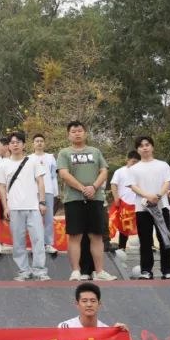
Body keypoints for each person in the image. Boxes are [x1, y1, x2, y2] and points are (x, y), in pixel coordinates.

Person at [57, 121, 116, 282]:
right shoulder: (64, 153)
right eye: (73, 131)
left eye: (80, 131)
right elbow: (64, 174)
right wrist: (83, 188)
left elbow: (104, 171)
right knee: (75, 235)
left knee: (96, 235)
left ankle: (99, 271)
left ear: (85, 133)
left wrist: (94, 187)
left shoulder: (95, 151)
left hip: (95, 199)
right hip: (73, 199)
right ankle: (76, 271)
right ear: (69, 135)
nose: (77, 133)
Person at [0, 132, 50, 281]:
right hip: (14, 208)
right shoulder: (3, 165)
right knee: (18, 241)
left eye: (18, 142)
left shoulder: (33, 162)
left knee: (38, 239)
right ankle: (24, 270)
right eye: (12, 142)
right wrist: (5, 207)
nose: (15, 145)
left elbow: (40, 182)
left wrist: (42, 202)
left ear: (23, 144)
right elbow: (2, 188)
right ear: (8, 146)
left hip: (33, 207)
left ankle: (40, 271)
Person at [125, 136, 170, 280]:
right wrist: (147, 196)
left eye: (147, 145)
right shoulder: (133, 169)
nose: (145, 148)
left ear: (152, 147)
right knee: (145, 240)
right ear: (137, 150)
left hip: (161, 207)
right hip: (142, 209)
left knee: (164, 238)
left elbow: (168, 182)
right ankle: (146, 270)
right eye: (141, 146)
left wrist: (158, 196)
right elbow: (133, 186)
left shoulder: (163, 165)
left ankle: (168, 270)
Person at [32, 134, 59, 255]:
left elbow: (54, 176)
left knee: (48, 218)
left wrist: (55, 191)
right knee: (34, 219)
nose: (39, 143)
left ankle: (48, 243)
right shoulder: (28, 158)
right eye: (37, 141)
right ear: (33, 144)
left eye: (41, 141)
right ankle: (37, 244)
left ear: (44, 143)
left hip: (48, 190)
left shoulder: (50, 157)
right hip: (33, 191)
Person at [110, 151, 141, 255]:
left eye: (137, 162)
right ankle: (122, 247)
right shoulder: (120, 171)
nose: (135, 164)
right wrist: (116, 198)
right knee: (124, 226)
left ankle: (148, 245)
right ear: (127, 160)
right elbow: (113, 184)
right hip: (124, 203)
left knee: (143, 225)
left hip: (138, 203)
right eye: (133, 162)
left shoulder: (140, 173)